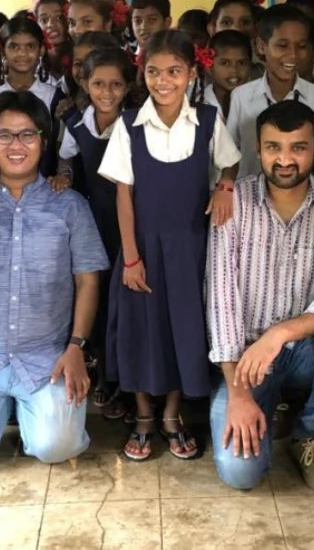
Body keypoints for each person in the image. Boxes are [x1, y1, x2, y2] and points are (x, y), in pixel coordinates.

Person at [0, 91, 109, 467]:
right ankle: (1, 406)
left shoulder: (70, 206)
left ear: (44, 141)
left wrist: (76, 347)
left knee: (56, 449)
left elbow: (88, 282)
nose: (16, 145)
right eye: (5, 135)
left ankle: (28, 410)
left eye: (27, 134)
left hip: (48, 357)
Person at [206, 101, 314, 492]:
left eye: (298, 147)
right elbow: (220, 301)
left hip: (306, 349)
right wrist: (238, 394)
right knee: (240, 473)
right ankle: (260, 409)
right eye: (273, 148)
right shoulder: (232, 204)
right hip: (246, 359)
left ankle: (307, 433)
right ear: (258, 150)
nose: (285, 160)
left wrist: (279, 334)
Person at [98, 29, 241, 461]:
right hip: (141, 249)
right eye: (154, 71)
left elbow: (230, 165)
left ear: (192, 73)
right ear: (142, 73)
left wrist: (225, 187)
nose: (164, 81)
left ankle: (172, 415)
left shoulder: (208, 121)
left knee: (183, 328)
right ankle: (144, 414)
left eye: (174, 71)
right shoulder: (129, 125)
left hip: (192, 250)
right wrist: (131, 258)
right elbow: (124, 195)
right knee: (142, 330)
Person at [53, 47, 137, 420]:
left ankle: (127, 379)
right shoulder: (75, 122)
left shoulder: (135, 123)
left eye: (116, 84)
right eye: (98, 83)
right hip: (92, 222)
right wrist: (65, 175)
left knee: (125, 299)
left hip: (127, 222)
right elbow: (67, 158)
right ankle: (103, 372)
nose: (106, 92)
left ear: (128, 87)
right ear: (85, 83)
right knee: (97, 297)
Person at [227, 5, 314, 179]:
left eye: (301, 46)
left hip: (300, 191)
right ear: (261, 46)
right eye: (283, 45)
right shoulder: (241, 96)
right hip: (249, 190)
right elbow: (230, 151)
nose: (293, 55)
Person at [0, 15, 66, 176]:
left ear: (41, 50)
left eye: (30, 46)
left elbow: (57, 146)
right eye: (14, 46)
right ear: (3, 51)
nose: (22, 53)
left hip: (43, 177)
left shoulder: (53, 95)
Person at [200, 29, 252, 120]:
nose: (234, 70)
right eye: (225, 63)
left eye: (241, 63)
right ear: (209, 67)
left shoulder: (260, 102)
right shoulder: (197, 104)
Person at [34, 0, 72, 88]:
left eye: (59, 18)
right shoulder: (31, 63)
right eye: (44, 20)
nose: (50, 24)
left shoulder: (80, 59)